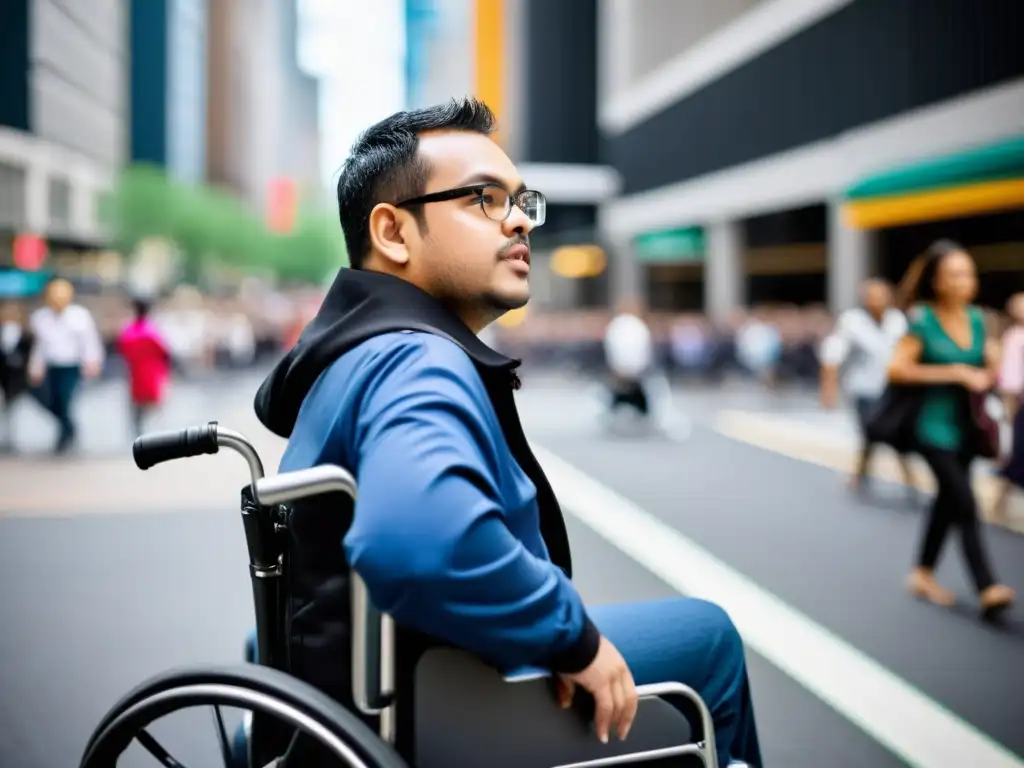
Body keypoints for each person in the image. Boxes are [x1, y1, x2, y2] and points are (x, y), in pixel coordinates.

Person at [253, 99, 761, 767]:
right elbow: (419, 539)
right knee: (709, 637)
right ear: (394, 233)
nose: (520, 219)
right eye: (486, 199)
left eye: (523, 201)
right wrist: (572, 637)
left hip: (370, 692)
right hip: (436, 703)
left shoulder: (351, 356)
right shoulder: (417, 358)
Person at [888, 240, 1015, 620]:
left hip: (967, 428)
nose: (965, 281)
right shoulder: (921, 319)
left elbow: (991, 375)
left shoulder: (980, 319)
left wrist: (992, 367)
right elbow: (896, 370)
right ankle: (987, 585)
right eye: (955, 274)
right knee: (964, 499)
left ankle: (922, 573)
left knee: (947, 501)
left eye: (969, 273)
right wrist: (955, 372)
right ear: (938, 281)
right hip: (930, 426)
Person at [820, 279, 917, 496]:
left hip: (891, 388)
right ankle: (866, 474)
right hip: (862, 389)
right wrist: (829, 387)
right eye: (872, 296)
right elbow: (833, 353)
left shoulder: (897, 320)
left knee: (891, 431)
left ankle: (864, 473)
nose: (877, 301)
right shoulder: (852, 321)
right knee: (871, 430)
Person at [27, 279, 104, 454]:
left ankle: (64, 436)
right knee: (51, 400)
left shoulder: (79, 316)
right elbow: (40, 345)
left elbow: (89, 342)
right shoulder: (41, 318)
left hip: (71, 365)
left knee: (64, 399)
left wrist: (92, 361)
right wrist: (35, 366)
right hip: (51, 366)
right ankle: (68, 428)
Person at [117, 298, 171, 438]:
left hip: (136, 374)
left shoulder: (129, 331)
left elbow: (122, 350)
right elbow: (165, 352)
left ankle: (139, 436)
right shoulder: (153, 331)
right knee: (155, 408)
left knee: (137, 409)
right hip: (153, 373)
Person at [993, 292, 1024, 520]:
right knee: (1016, 457)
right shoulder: (1015, 337)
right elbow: (1011, 381)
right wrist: (1009, 408)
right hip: (1020, 405)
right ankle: (998, 507)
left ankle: (998, 506)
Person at [0, 300, 34, 452]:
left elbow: (30, 355)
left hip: (16, 379)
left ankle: (10, 437)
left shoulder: (26, 335)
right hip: (2, 375)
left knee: (12, 409)